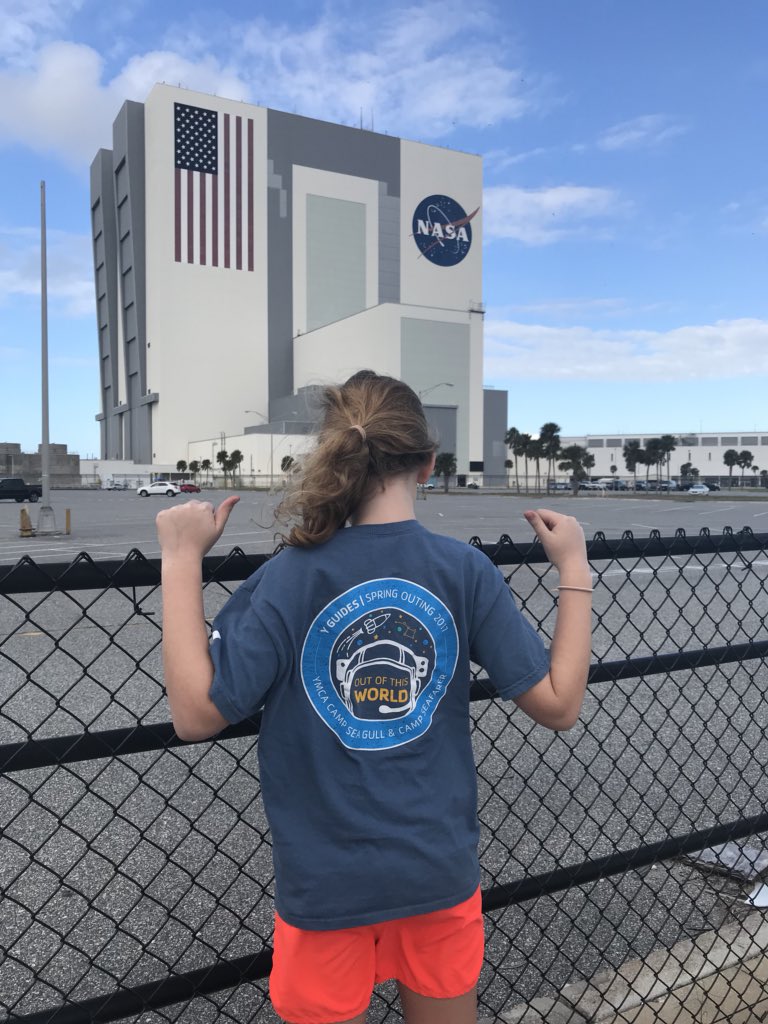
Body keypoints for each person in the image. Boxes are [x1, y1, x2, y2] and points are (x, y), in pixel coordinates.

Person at [156, 371, 592, 1024]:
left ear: (336, 458)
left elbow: (195, 715)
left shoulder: (287, 578)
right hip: (436, 869)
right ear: (427, 464)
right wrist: (576, 569)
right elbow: (559, 703)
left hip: (326, 884)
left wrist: (180, 557)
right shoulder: (462, 571)